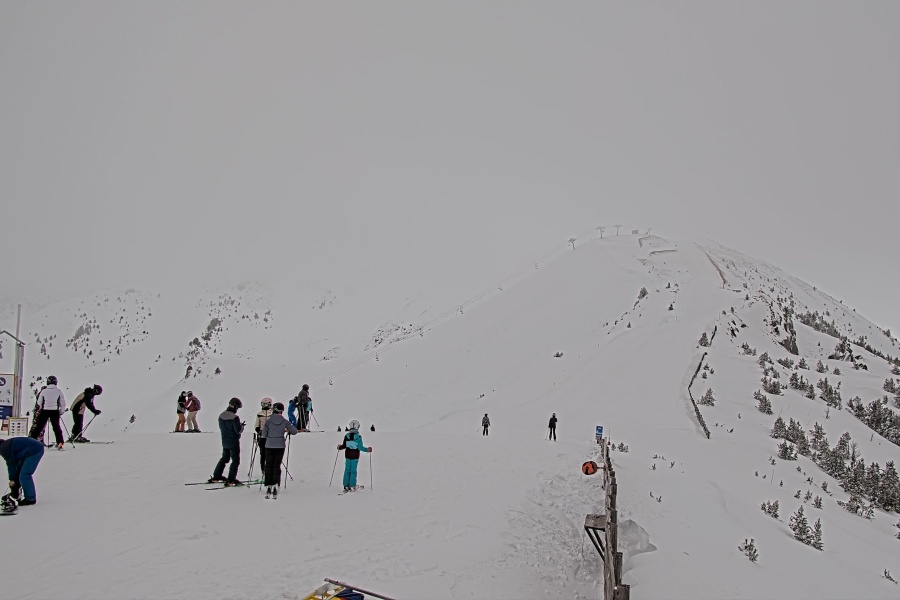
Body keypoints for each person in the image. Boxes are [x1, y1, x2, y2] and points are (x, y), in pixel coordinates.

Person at [260, 402, 298, 498]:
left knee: (268, 464)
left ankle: (268, 484)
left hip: (269, 445)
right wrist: (286, 430)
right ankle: (276, 484)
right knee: (276, 465)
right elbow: (294, 431)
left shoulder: (268, 421)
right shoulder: (285, 421)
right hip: (280, 445)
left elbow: (264, 434)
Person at [208, 398, 245, 486]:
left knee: (224, 458)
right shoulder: (235, 417)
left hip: (224, 441)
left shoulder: (221, 415)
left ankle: (217, 476)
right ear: (235, 407)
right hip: (234, 442)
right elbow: (238, 431)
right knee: (235, 460)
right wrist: (242, 426)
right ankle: (231, 480)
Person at [0, 436, 45, 506]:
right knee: (20, 471)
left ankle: (30, 499)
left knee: (25, 475)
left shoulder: (3, 448)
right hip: (32, 448)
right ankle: (16, 493)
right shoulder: (6, 444)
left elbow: (11, 465)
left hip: (34, 450)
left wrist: (12, 480)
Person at [30, 376, 66, 449]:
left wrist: (43, 406)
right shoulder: (58, 391)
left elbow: (39, 402)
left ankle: (31, 440)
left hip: (45, 410)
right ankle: (60, 442)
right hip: (54, 411)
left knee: (39, 427)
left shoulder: (44, 391)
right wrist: (61, 411)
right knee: (56, 427)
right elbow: (62, 403)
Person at [337, 420, 371, 493]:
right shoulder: (358, 437)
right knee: (353, 471)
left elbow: (344, 446)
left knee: (347, 470)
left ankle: (346, 486)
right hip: (355, 456)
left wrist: (339, 447)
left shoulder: (347, 436)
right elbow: (360, 447)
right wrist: (367, 449)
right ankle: (352, 486)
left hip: (347, 456)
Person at [254, 398, 274, 474]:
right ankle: (263, 470)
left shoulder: (272, 413)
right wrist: (258, 431)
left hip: (270, 436)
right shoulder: (259, 414)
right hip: (262, 437)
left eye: (266, 404)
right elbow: (256, 425)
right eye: (263, 404)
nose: (264, 406)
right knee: (263, 454)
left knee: (270, 454)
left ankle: (270, 469)